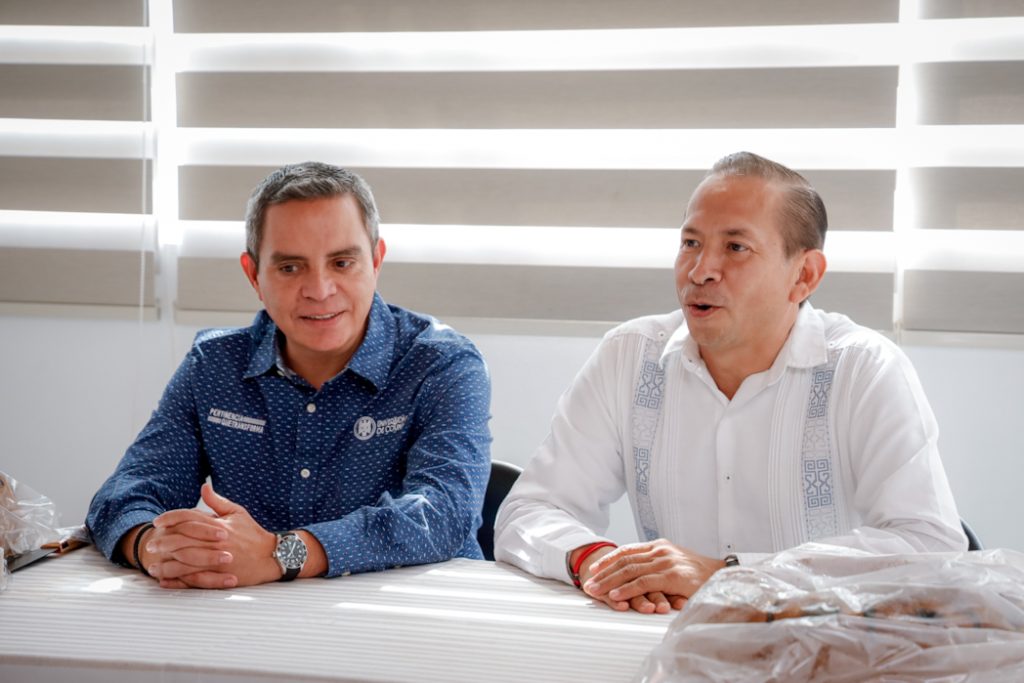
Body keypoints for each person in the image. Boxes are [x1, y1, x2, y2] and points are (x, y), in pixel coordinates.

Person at [494, 151, 966, 614]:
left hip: (822, 641)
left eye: (736, 248)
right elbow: (529, 512)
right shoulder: (629, 356)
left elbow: (930, 545)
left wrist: (731, 575)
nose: (700, 271)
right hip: (664, 638)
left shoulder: (863, 368)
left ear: (804, 275)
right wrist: (595, 561)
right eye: (690, 243)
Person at [87, 162, 491, 588]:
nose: (319, 290)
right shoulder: (213, 366)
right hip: (255, 615)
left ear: (375, 261)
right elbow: (126, 492)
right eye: (290, 268)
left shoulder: (442, 364)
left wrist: (282, 553)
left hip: (418, 608)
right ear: (254, 275)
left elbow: (444, 513)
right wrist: (154, 547)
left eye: (342, 262)